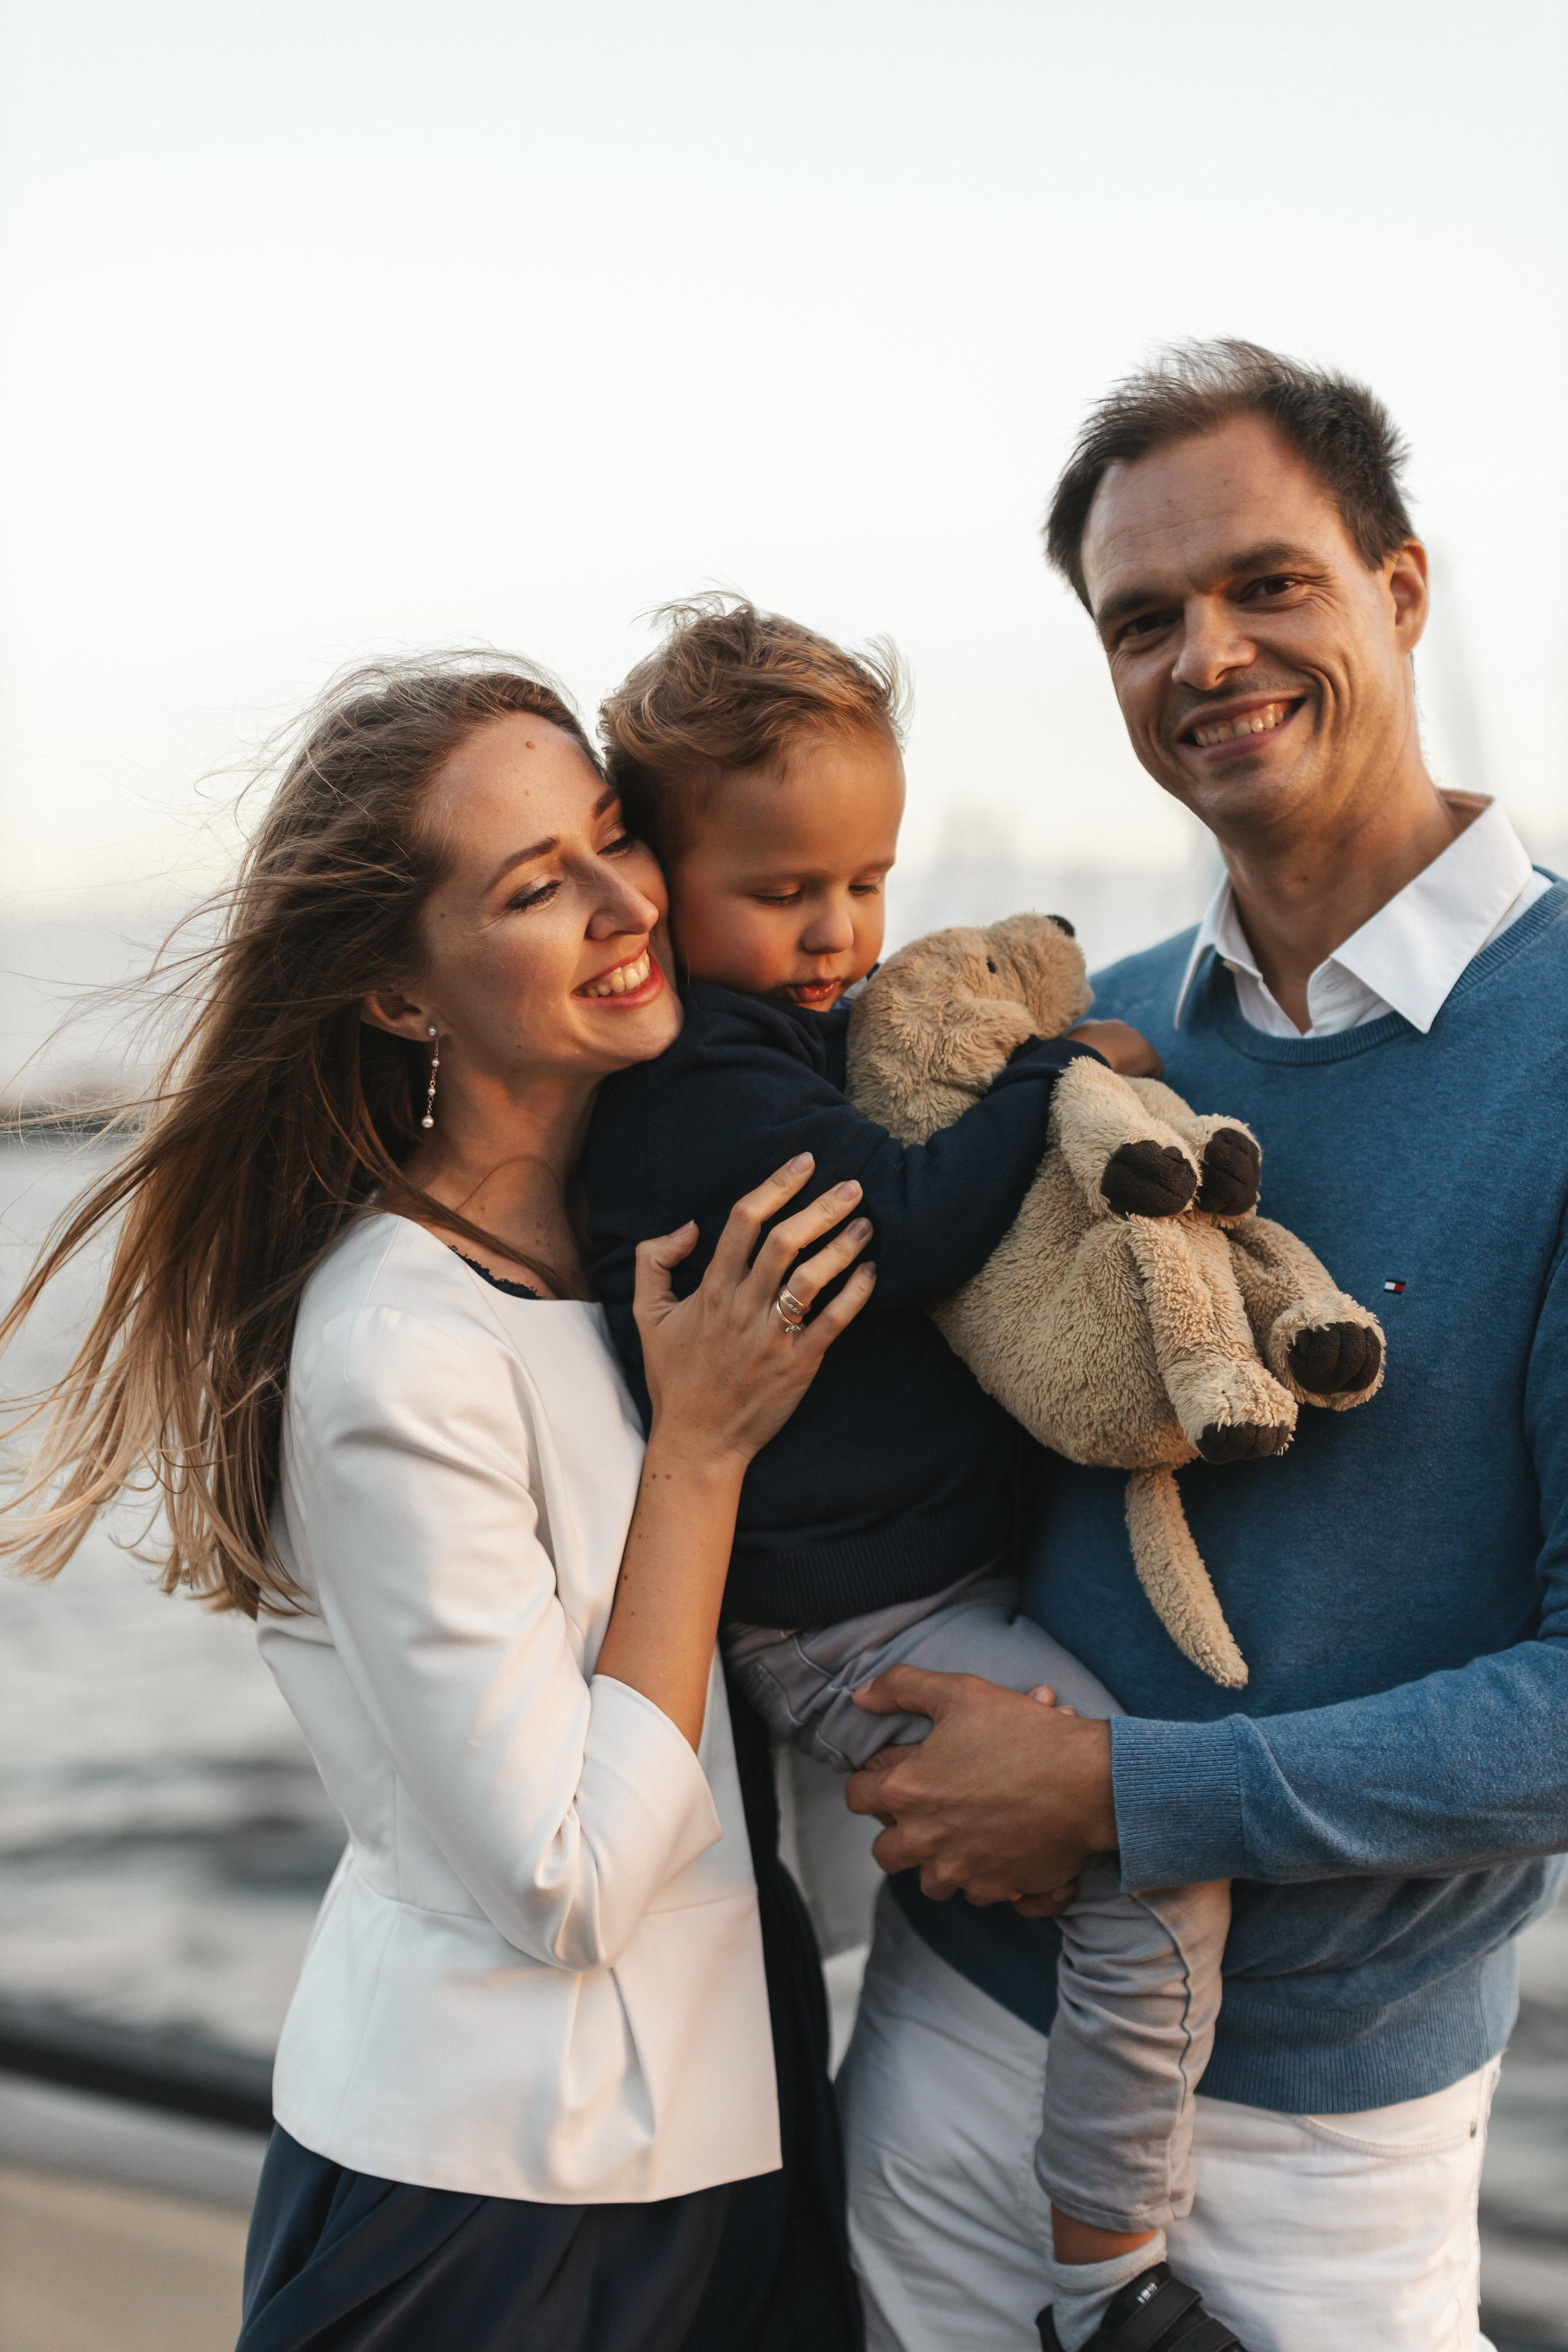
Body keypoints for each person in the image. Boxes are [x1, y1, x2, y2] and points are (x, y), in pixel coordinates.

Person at [0, 655, 878, 2351]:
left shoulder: (641, 1244)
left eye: (615, 835)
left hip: (737, 2108)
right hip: (511, 2194)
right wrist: (699, 1454)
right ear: (401, 998)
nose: (627, 903)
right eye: (536, 888)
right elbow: (567, 1878)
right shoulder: (398, 1342)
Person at [836, 339, 1568, 2352]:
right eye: (1142, 619)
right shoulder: (1098, 1042)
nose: (1208, 656)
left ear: (1400, 590)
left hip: (1325, 2145)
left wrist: (1129, 1797)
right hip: (954, 2029)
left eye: (1268, 584)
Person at [583, 600, 1243, 2347]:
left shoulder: (782, 1041)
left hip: (888, 1585)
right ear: (656, 876)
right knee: (1157, 1867)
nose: (838, 932)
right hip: (851, 1620)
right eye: (784, 889)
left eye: (866, 881)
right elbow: (914, 1226)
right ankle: (1108, 2274)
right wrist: (1055, 1071)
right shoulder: (700, 1082)